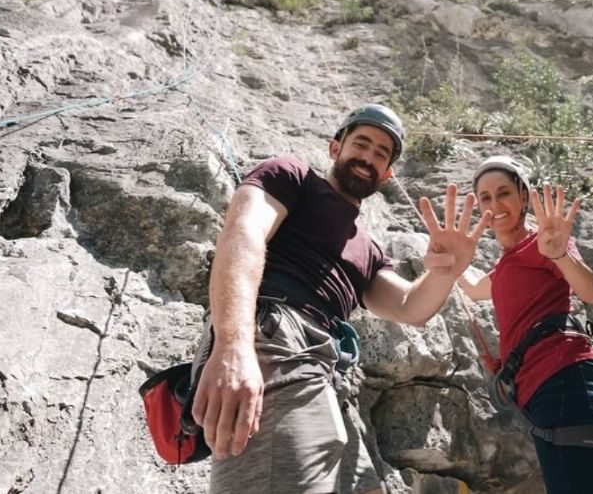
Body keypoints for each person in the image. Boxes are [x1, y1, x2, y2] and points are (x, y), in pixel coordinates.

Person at [190, 103, 491, 494]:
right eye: (361, 143)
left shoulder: (368, 249)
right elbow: (243, 234)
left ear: (387, 174)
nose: (368, 157)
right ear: (335, 148)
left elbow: (409, 307)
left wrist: (447, 271)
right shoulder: (291, 176)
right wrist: (233, 344)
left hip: (325, 371)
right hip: (274, 340)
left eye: (381, 154)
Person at [457, 155, 593, 494]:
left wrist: (560, 255)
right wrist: (447, 262)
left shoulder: (544, 243)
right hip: (553, 390)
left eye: (503, 192)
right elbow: (476, 291)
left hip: (564, 382)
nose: (495, 204)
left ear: (523, 197)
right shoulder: (507, 264)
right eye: (485, 198)